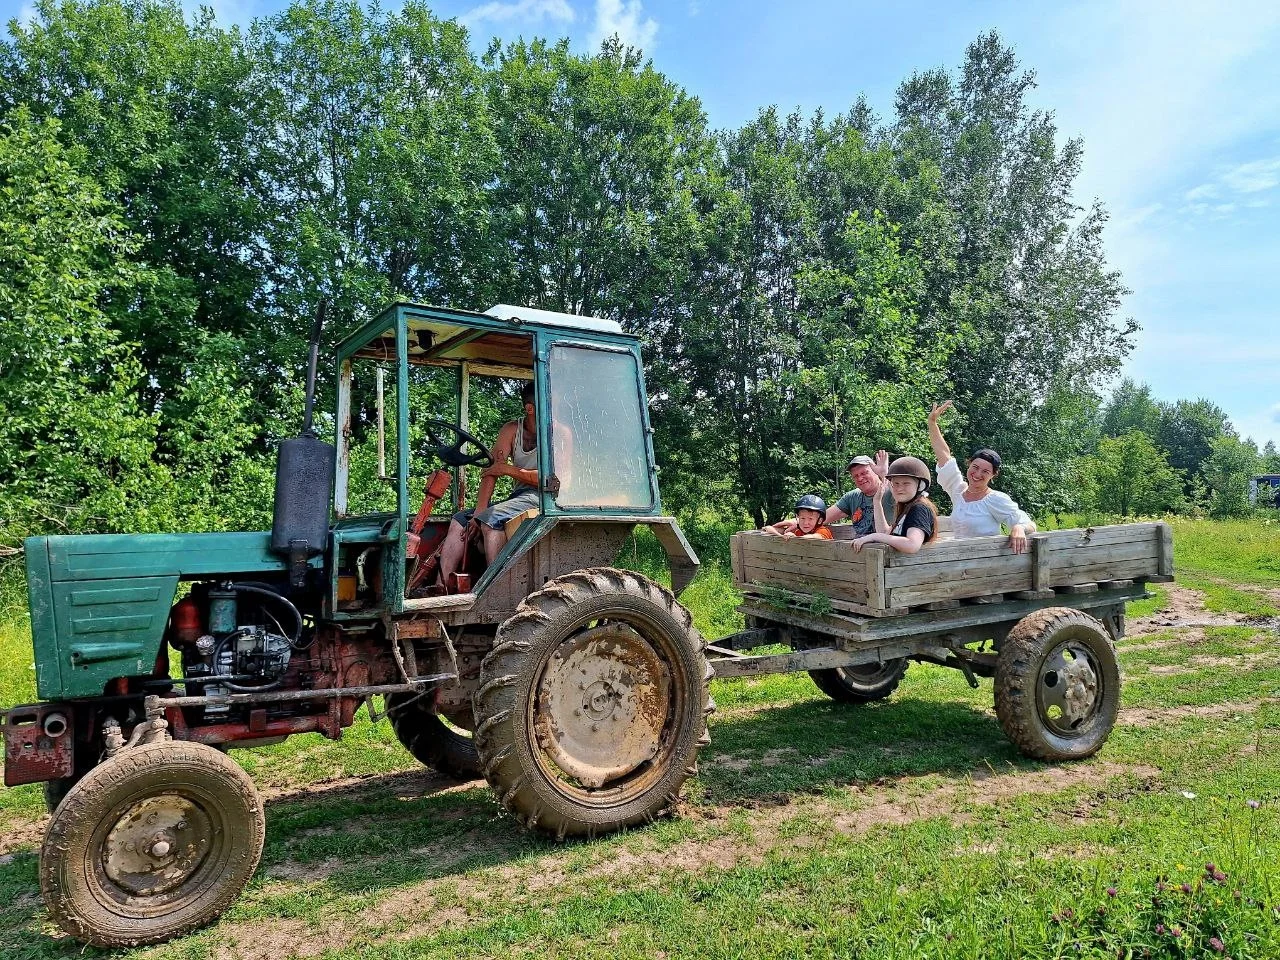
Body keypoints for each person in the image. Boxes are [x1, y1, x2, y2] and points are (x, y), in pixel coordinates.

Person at [438, 381, 542, 586]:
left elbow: (552, 479)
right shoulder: (512, 430)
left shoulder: (559, 432)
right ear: (530, 408)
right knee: (460, 520)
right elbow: (491, 471)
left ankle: (496, 590)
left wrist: (508, 470)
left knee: (490, 521)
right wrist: (479, 509)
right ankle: (440, 588)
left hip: (544, 497)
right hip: (519, 498)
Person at [926, 400, 1036, 554]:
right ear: (969, 464)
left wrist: (1019, 527)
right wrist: (932, 423)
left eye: (985, 471)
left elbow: (1029, 524)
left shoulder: (996, 499)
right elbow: (944, 455)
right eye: (975, 467)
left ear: (993, 475)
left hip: (986, 563)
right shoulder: (958, 491)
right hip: (957, 561)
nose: (977, 474)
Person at [852, 455, 937, 554]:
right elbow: (885, 533)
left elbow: (912, 545)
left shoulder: (919, 508)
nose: (899, 488)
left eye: (906, 483)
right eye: (896, 484)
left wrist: (874, 536)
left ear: (919, 486)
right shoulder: (906, 508)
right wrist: (877, 501)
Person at [831, 454, 898, 536]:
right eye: (855, 476)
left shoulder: (891, 491)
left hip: (886, 546)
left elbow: (908, 502)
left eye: (864, 473)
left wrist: (885, 474)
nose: (860, 478)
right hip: (859, 546)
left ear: (875, 471)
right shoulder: (852, 497)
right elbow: (823, 518)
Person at [763, 494, 834, 539]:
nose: (806, 523)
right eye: (802, 518)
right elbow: (768, 528)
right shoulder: (799, 531)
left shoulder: (823, 531)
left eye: (810, 519)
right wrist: (779, 534)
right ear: (798, 518)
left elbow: (816, 537)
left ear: (820, 520)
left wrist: (795, 538)